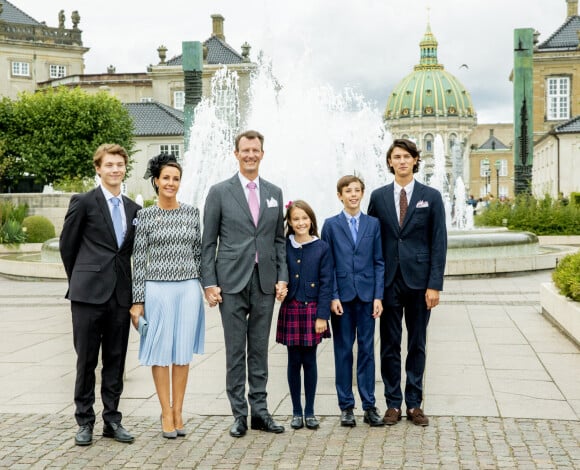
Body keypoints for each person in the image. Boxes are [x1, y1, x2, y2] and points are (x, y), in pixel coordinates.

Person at [201, 130, 289, 438]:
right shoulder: (219, 192)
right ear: (236, 154)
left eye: (255, 150)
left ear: (262, 154)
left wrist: (282, 276)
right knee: (236, 350)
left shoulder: (274, 192)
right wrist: (209, 282)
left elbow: (279, 240)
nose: (251, 155)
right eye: (245, 150)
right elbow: (207, 242)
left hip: (264, 280)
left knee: (260, 350)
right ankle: (239, 413)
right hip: (231, 283)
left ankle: (260, 412)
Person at [60, 143, 141, 446]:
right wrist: (82, 279)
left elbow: (131, 253)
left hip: (120, 295)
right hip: (87, 296)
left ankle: (112, 419)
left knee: (116, 360)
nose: (115, 169)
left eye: (119, 164)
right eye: (109, 164)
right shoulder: (83, 202)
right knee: (86, 361)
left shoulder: (134, 209)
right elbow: (68, 247)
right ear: (98, 168)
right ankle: (84, 421)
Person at [368, 138, 447, 427]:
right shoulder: (377, 197)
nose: (402, 161)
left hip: (419, 282)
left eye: (407, 156)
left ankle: (414, 403)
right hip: (388, 282)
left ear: (415, 160)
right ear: (390, 162)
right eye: (396, 157)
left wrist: (434, 284)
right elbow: (371, 240)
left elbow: (439, 242)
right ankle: (392, 403)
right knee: (389, 344)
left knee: (417, 343)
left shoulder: (432, 196)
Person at [129, 154, 205, 439]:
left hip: (187, 289)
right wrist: (138, 301)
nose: (170, 183)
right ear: (156, 181)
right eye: (166, 178)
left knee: (182, 353)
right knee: (161, 353)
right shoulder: (145, 216)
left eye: (175, 178)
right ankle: (164, 410)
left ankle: (178, 410)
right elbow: (138, 260)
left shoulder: (192, 213)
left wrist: (207, 287)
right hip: (156, 290)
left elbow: (199, 255)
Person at [321, 175, 385, 428]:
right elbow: (328, 265)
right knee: (344, 351)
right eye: (348, 191)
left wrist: (378, 296)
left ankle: (369, 405)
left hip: (368, 297)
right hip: (342, 299)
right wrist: (333, 296)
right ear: (340, 195)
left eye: (357, 190)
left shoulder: (373, 224)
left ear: (362, 193)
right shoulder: (330, 225)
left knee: (368, 351)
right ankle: (346, 406)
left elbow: (379, 261)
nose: (353, 195)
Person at [275, 200, 333, 430]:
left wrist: (322, 316)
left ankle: (310, 411)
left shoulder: (322, 247)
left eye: (304, 218)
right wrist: (278, 288)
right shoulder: (283, 246)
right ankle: (296, 412)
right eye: (296, 219)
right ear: (289, 222)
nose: (301, 222)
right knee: (293, 361)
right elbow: (277, 271)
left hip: (312, 311)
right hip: (291, 307)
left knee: (309, 360)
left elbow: (327, 283)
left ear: (311, 220)